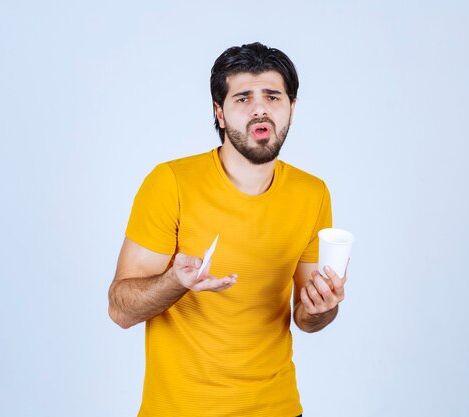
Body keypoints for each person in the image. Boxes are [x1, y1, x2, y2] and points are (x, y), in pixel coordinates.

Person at [108, 42, 347, 417]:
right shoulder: (170, 182)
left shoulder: (312, 193)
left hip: (277, 408)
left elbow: (306, 317)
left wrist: (323, 307)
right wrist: (174, 282)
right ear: (219, 113)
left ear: (291, 109)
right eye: (242, 98)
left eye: (272, 96)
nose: (260, 108)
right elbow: (120, 310)